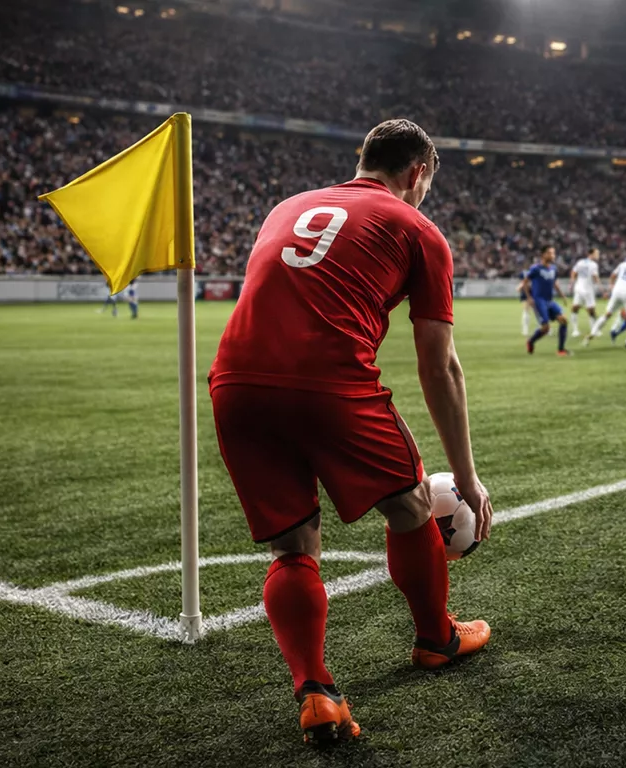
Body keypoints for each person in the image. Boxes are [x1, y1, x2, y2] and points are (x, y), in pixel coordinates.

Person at [207, 119, 494, 746]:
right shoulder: (418, 228)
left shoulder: (288, 205)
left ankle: (316, 691)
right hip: (329, 381)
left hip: (234, 382)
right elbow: (438, 364)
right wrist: (467, 479)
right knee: (412, 502)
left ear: (362, 159)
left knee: (293, 548)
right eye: (426, 184)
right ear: (417, 173)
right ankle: (435, 638)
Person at [587, 250, 626, 351]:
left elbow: (612, 276)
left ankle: (593, 332)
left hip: (617, 291)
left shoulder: (623, 264)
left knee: (607, 314)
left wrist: (611, 288)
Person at [518, 246, 571, 356]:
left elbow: (555, 283)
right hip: (539, 301)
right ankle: (530, 341)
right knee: (546, 328)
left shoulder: (553, 269)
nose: (553, 256)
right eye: (550, 253)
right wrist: (529, 298)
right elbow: (525, 283)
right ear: (543, 255)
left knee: (564, 320)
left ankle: (561, 350)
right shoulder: (535, 268)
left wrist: (562, 296)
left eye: (554, 253)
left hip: (549, 300)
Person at [569, 248, 601, 337]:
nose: (598, 255)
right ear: (591, 254)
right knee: (591, 310)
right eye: (597, 253)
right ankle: (594, 330)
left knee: (575, 308)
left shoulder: (580, 262)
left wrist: (571, 282)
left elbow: (573, 272)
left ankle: (575, 330)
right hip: (588, 289)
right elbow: (595, 277)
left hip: (579, 288)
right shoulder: (594, 265)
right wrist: (601, 288)